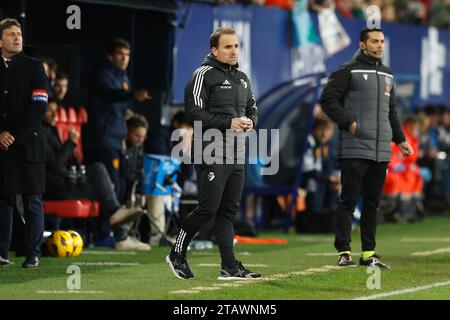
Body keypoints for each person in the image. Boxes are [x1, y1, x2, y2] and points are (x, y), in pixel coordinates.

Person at [166, 27, 261, 280]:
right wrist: (228, 122)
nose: (233, 51)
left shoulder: (242, 78)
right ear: (214, 50)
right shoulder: (202, 75)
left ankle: (228, 266)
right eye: (228, 47)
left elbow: (253, 109)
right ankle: (177, 253)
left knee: (228, 212)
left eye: (236, 46)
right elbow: (194, 113)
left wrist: (251, 121)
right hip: (210, 150)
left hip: (236, 152)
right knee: (207, 209)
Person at [319, 28, 413, 269]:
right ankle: (344, 252)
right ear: (363, 44)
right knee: (348, 201)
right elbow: (327, 99)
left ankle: (368, 254)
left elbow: (391, 113)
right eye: (374, 41)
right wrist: (347, 121)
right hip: (354, 147)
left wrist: (400, 139)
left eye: (382, 41)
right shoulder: (347, 70)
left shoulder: (388, 74)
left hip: (381, 150)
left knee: (373, 204)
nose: (380, 45)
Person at [42, 99, 150, 251]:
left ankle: (118, 232)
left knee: (103, 184)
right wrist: (71, 142)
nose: (54, 114)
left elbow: (61, 163)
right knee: (99, 172)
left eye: (55, 111)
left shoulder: (49, 132)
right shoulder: (39, 133)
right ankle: (119, 233)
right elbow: (55, 165)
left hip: (64, 184)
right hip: (55, 189)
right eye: (49, 111)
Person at [85, 38, 151, 244]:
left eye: (128, 55)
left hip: (116, 139)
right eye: (121, 54)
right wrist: (130, 94)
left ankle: (111, 233)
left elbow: (118, 104)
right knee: (111, 185)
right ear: (110, 56)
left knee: (120, 185)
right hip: (103, 139)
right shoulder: (103, 74)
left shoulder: (124, 78)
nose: (125, 58)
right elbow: (109, 94)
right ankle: (103, 234)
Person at [0, 18, 49, 268]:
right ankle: (2, 253)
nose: (17, 37)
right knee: (3, 200)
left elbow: (39, 105)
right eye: (10, 34)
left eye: (18, 33)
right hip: (2, 146)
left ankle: (33, 253)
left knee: (32, 200)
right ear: (0, 41)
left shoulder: (35, 67)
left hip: (29, 144)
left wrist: (13, 135)